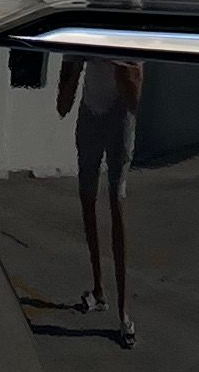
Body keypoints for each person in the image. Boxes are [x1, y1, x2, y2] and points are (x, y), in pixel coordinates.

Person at [55, 47, 143, 337]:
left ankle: (124, 314)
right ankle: (99, 290)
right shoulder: (79, 35)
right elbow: (62, 105)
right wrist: (79, 60)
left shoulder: (128, 33)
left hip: (119, 114)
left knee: (117, 201)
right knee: (87, 199)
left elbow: (134, 99)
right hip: (89, 112)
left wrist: (117, 62)